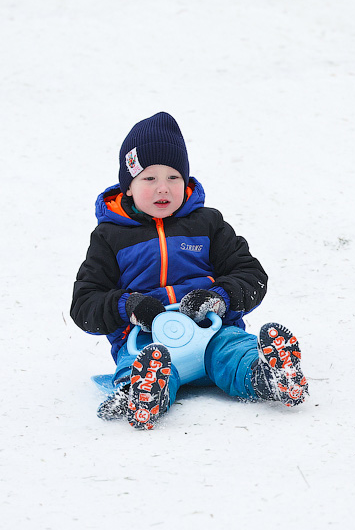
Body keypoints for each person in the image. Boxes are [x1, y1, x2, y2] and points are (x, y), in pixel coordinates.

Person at [70, 112, 308, 430]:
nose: (162, 189)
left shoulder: (207, 224)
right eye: (149, 179)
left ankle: (270, 375)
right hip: (145, 343)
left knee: (235, 353)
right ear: (127, 186)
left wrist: (218, 298)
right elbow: (85, 303)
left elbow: (251, 274)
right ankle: (142, 392)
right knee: (139, 365)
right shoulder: (110, 237)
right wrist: (128, 306)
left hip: (214, 332)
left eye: (173, 177)